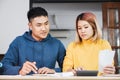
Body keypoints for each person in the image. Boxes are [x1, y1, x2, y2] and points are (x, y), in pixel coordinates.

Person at [1, 7, 66, 75]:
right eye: (39, 25)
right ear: (30, 26)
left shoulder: (57, 44)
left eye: (46, 24)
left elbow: (68, 69)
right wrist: (20, 70)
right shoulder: (18, 42)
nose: (44, 28)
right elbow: (3, 67)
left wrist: (54, 71)